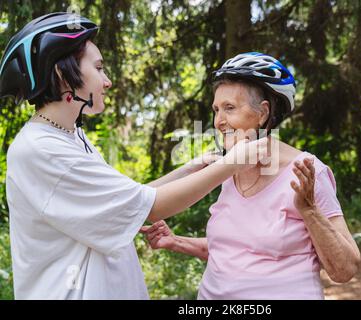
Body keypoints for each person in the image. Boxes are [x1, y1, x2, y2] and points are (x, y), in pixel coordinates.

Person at [0, 13, 267, 299]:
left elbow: (127, 200)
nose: (108, 81)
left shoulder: (69, 137)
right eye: (99, 68)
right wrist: (233, 161)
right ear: (62, 74)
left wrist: (191, 169)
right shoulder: (42, 149)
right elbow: (151, 207)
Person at [141, 52, 361, 299]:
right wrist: (176, 242)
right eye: (216, 110)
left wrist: (309, 211)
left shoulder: (307, 171)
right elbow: (237, 250)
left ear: (263, 113)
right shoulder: (227, 169)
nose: (219, 121)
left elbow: (345, 269)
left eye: (230, 108)